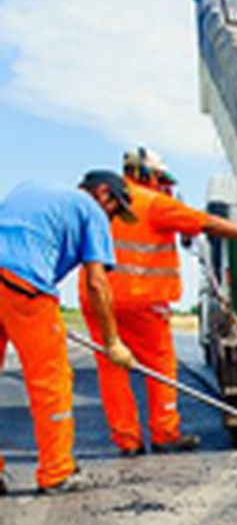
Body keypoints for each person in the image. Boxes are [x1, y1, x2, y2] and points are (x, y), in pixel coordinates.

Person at [80, 148, 237, 457]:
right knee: (160, 366)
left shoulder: (97, 204)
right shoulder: (154, 203)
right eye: (163, 180)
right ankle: (164, 433)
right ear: (149, 175)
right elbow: (207, 223)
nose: (166, 187)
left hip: (98, 300)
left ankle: (127, 440)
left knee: (111, 370)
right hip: (143, 302)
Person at [0, 172, 137, 495]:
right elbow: (97, 283)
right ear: (104, 194)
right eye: (115, 211)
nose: (112, 219)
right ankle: (57, 471)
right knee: (51, 379)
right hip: (25, 284)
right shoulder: (91, 211)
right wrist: (112, 340)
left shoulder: (31, 185)